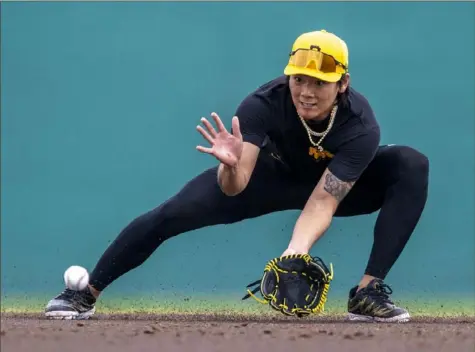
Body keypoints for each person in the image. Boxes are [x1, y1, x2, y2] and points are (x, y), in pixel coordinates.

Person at [44, 29, 429, 323]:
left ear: (342, 84)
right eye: (299, 79)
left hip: (335, 189)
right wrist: (230, 166)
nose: (307, 92)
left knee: (410, 164)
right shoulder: (262, 104)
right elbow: (235, 188)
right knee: (170, 214)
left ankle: (367, 293)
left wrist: (295, 252)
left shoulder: (360, 126)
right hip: (269, 178)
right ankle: (85, 294)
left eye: (320, 83)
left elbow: (324, 200)